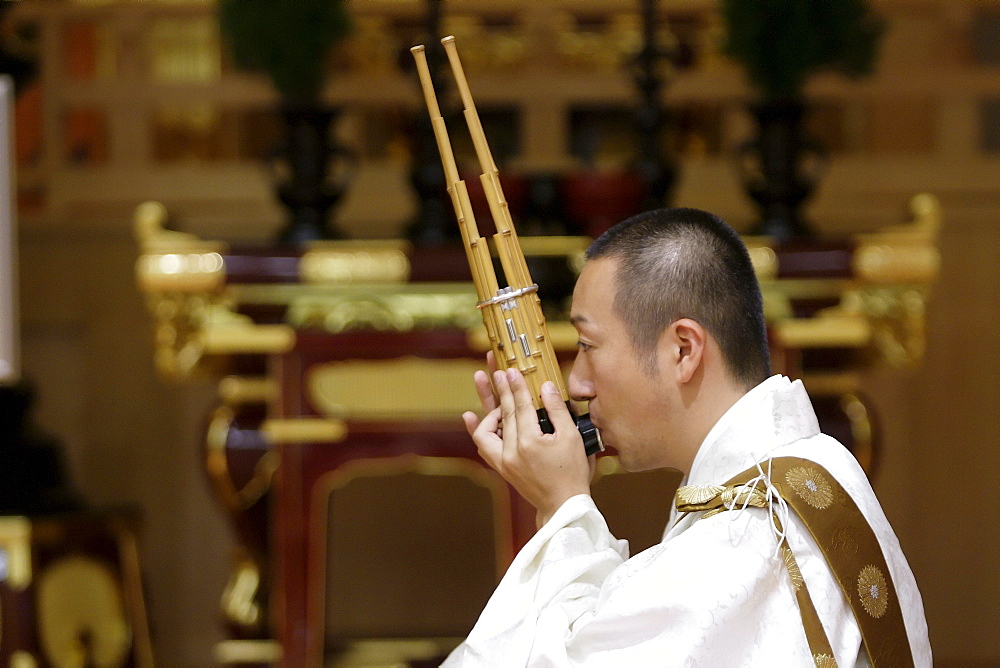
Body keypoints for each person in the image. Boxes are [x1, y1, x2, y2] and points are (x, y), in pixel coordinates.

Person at [445, 207, 931, 666]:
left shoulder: (748, 528)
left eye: (589, 346)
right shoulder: (807, 466)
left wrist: (563, 506)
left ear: (683, 350)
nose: (577, 385)